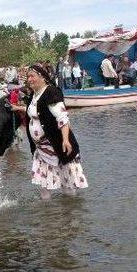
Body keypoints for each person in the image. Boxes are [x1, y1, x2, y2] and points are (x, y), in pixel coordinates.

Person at [24, 64, 88, 200]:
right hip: (41, 148)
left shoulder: (51, 92)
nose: (29, 79)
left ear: (42, 77)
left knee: (67, 184)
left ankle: (70, 213)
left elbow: (62, 118)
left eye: (32, 76)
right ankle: (49, 215)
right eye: (28, 77)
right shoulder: (34, 95)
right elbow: (35, 112)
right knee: (44, 184)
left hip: (57, 145)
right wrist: (17, 108)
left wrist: (65, 140)